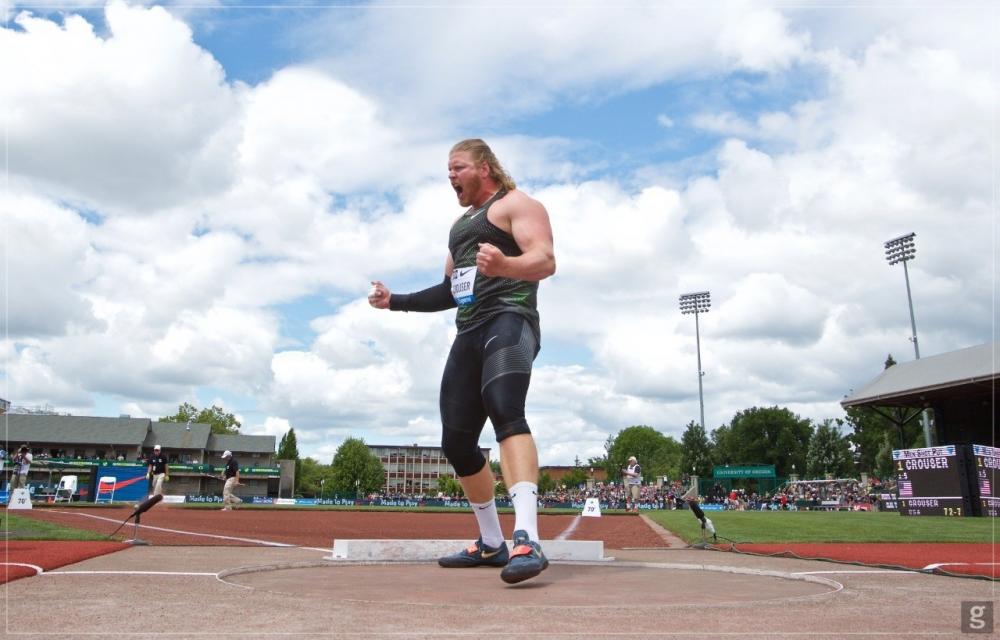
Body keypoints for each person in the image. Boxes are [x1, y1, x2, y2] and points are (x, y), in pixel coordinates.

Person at [369, 138, 556, 584]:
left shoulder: (517, 203)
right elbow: (451, 290)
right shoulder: (459, 227)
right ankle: (493, 543)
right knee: (455, 442)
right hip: (469, 332)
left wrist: (506, 266)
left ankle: (527, 538)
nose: (450, 176)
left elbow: (545, 259)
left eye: (457, 167)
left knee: (505, 407)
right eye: (447, 170)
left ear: (485, 166)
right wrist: (395, 301)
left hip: (511, 319)